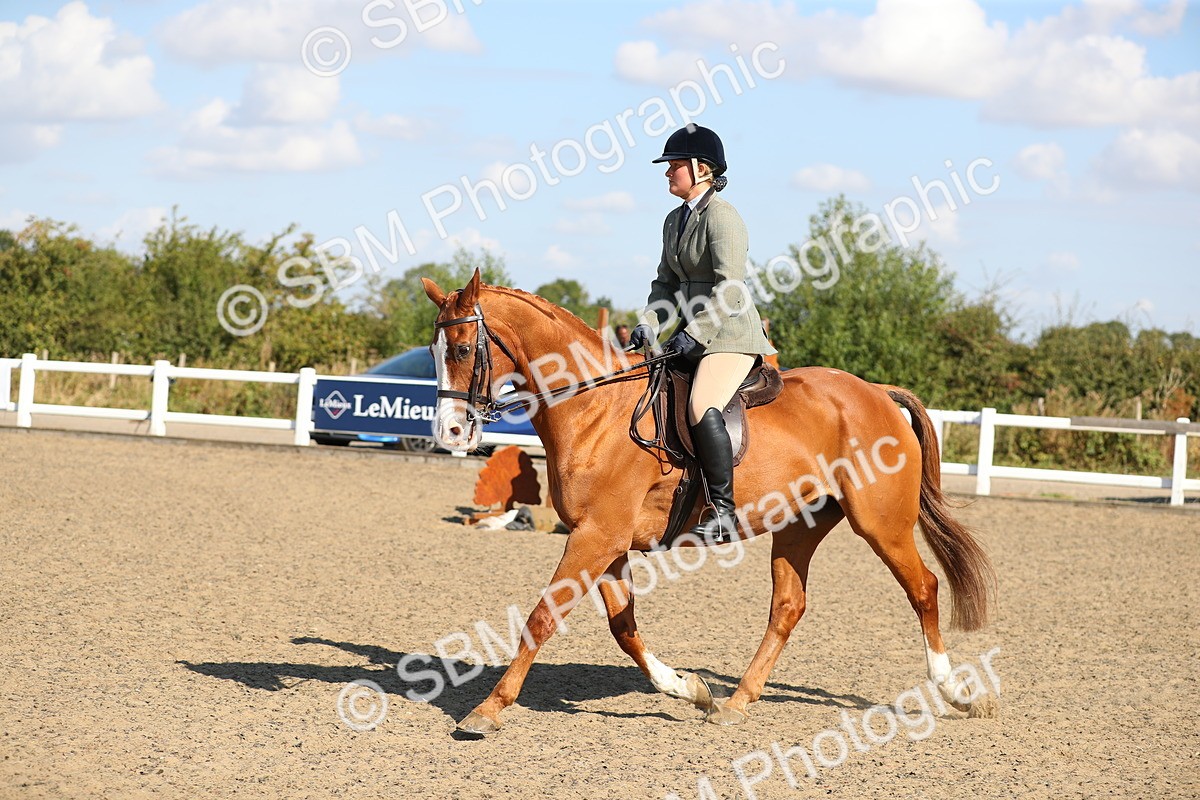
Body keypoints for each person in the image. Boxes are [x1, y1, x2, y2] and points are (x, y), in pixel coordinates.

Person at [628, 124, 777, 545]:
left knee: (700, 403)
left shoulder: (723, 216)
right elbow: (665, 285)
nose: (667, 172)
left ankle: (723, 511)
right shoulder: (674, 221)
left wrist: (695, 335)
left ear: (701, 169)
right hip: (691, 332)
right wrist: (650, 323)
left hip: (729, 334)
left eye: (674, 165)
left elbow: (731, 287)